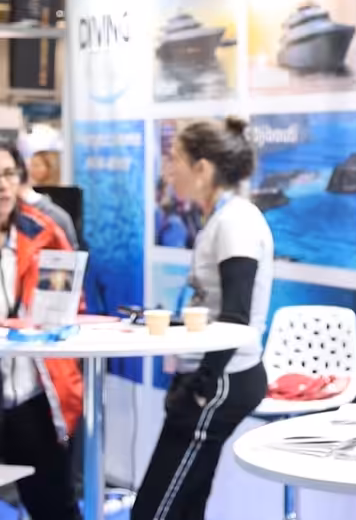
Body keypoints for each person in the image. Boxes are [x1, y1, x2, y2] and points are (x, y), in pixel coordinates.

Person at [131, 117, 274, 520]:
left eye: (174, 159)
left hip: (223, 378)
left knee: (153, 512)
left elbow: (236, 315)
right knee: (186, 505)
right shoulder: (222, 218)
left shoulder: (236, 221)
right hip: (213, 375)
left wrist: (201, 386)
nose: (167, 171)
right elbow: (215, 308)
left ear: (203, 167)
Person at [0, 140, 83, 520]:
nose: (2, 185)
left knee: (54, 506)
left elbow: (73, 307)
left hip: (33, 394)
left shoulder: (46, 232)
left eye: (8, 174)